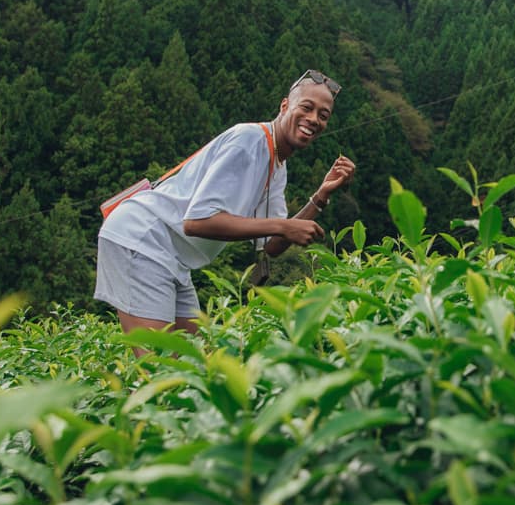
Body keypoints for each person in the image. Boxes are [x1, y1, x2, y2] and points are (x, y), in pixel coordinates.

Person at [94, 69, 356, 340]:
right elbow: (196, 222)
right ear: (284, 106)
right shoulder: (249, 140)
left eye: (323, 115)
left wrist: (320, 196)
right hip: (142, 238)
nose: (313, 119)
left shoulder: (278, 164)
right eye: (307, 107)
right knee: (159, 358)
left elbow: (272, 246)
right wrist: (284, 225)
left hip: (172, 257)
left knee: (197, 356)